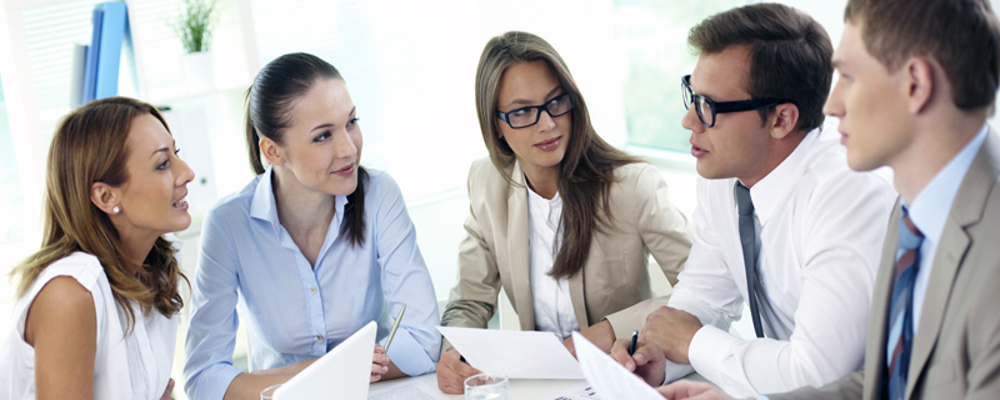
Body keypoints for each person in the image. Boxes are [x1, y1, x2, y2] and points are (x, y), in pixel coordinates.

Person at [658, 0, 1000, 399]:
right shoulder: (916, 214)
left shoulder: (873, 199)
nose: (831, 106)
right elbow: (881, 382)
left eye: (849, 77)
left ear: (916, 85)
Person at [609, 3, 898, 397]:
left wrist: (692, 342)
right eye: (692, 95)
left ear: (781, 119)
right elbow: (704, 295)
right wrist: (660, 357)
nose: (689, 120)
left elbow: (819, 373)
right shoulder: (723, 171)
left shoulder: (848, 192)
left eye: (709, 106)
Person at [435, 31, 694, 394]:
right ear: (496, 125)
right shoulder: (486, 182)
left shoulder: (632, 185)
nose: (547, 124)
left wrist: (606, 332)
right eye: (523, 111)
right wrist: (456, 353)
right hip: (542, 386)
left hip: (623, 378)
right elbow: (469, 300)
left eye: (556, 102)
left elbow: (704, 295)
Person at [183, 53, 441, 400]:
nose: (349, 148)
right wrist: (324, 372)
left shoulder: (379, 194)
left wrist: (271, 378)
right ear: (273, 152)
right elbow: (203, 379)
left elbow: (424, 341)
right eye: (323, 136)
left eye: (351, 122)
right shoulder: (229, 224)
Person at [0, 97, 194, 399]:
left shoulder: (153, 270)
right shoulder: (70, 294)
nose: (187, 173)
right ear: (105, 197)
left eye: (176, 154)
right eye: (163, 164)